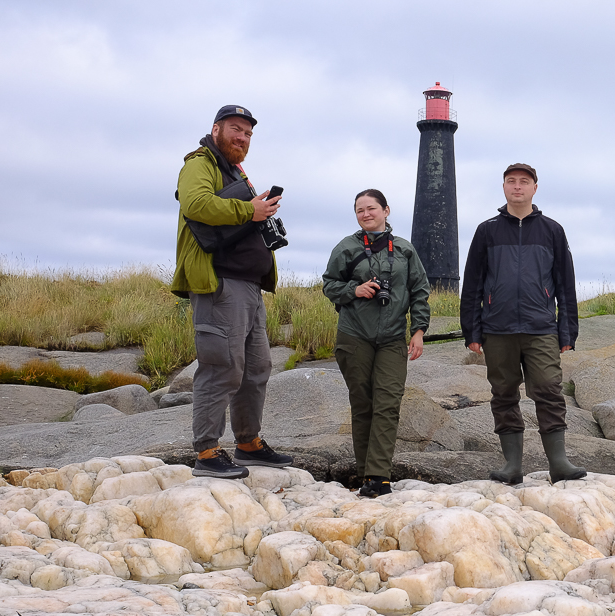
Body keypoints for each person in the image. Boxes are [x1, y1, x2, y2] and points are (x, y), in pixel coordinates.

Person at [172, 105, 293, 479]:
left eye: (248, 134)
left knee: (256, 368)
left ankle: (248, 443)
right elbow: (195, 204)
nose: (242, 138)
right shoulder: (199, 163)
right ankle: (207, 452)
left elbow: (244, 213)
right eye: (236, 130)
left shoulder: (236, 170)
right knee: (222, 367)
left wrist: (262, 213)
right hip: (219, 284)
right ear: (217, 129)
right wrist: (249, 212)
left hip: (250, 288)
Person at [460, 163, 586, 484]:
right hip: (496, 329)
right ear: (504, 187)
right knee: (503, 393)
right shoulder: (486, 230)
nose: (517, 186)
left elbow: (564, 283)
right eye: (511, 181)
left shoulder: (552, 230)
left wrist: (567, 330)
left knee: (548, 389)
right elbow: (472, 284)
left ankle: (559, 462)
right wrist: (471, 331)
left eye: (524, 182)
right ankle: (511, 466)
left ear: (534, 188)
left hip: (541, 327)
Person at [323, 189, 431, 497]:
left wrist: (419, 330)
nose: (366, 214)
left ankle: (379, 475)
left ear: (386, 210)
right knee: (363, 404)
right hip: (354, 335)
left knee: (387, 404)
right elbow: (329, 284)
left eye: (371, 208)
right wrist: (354, 291)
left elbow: (420, 291)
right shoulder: (346, 247)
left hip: (393, 338)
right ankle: (365, 475)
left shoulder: (405, 251)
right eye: (360, 210)